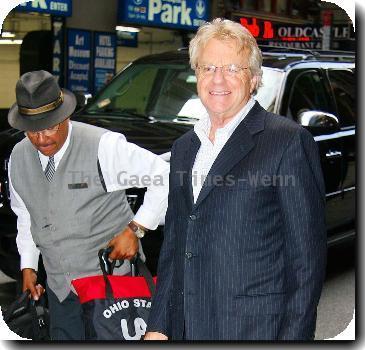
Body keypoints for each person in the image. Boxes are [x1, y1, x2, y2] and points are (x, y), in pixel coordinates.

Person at [144, 18, 327, 341]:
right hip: (188, 328)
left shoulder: (286, 142)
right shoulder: (184, 147)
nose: (219, 79)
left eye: (233, 69)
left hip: (254, 331)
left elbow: (306, 263)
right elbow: (175, 247)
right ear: (196, 74)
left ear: (254, 79)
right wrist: (159, 326)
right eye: (208, 67)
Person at [8, 70, 169, 340]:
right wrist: (29, 267)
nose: (42, 139)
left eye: (49, 126)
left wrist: (136, 229)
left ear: (64, 116)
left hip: (111, 287)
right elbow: (25, 215)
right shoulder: (18, 157)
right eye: (32, 131)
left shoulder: (103, 146)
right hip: (62, 289)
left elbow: (162, 176)